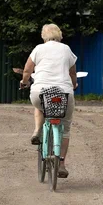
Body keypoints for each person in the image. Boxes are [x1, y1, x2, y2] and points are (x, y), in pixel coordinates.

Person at [19, 23, 77, 179]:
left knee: (40, 106)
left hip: (40, 91)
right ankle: (61, 164)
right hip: (64, 93)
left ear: (43, 36)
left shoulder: (38, 49)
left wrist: (24, 82)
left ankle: (37, 130)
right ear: (60, 35)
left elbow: (27, 70)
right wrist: (74, 85)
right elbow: (72, 73)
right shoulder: (66, 49)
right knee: (65, 128)